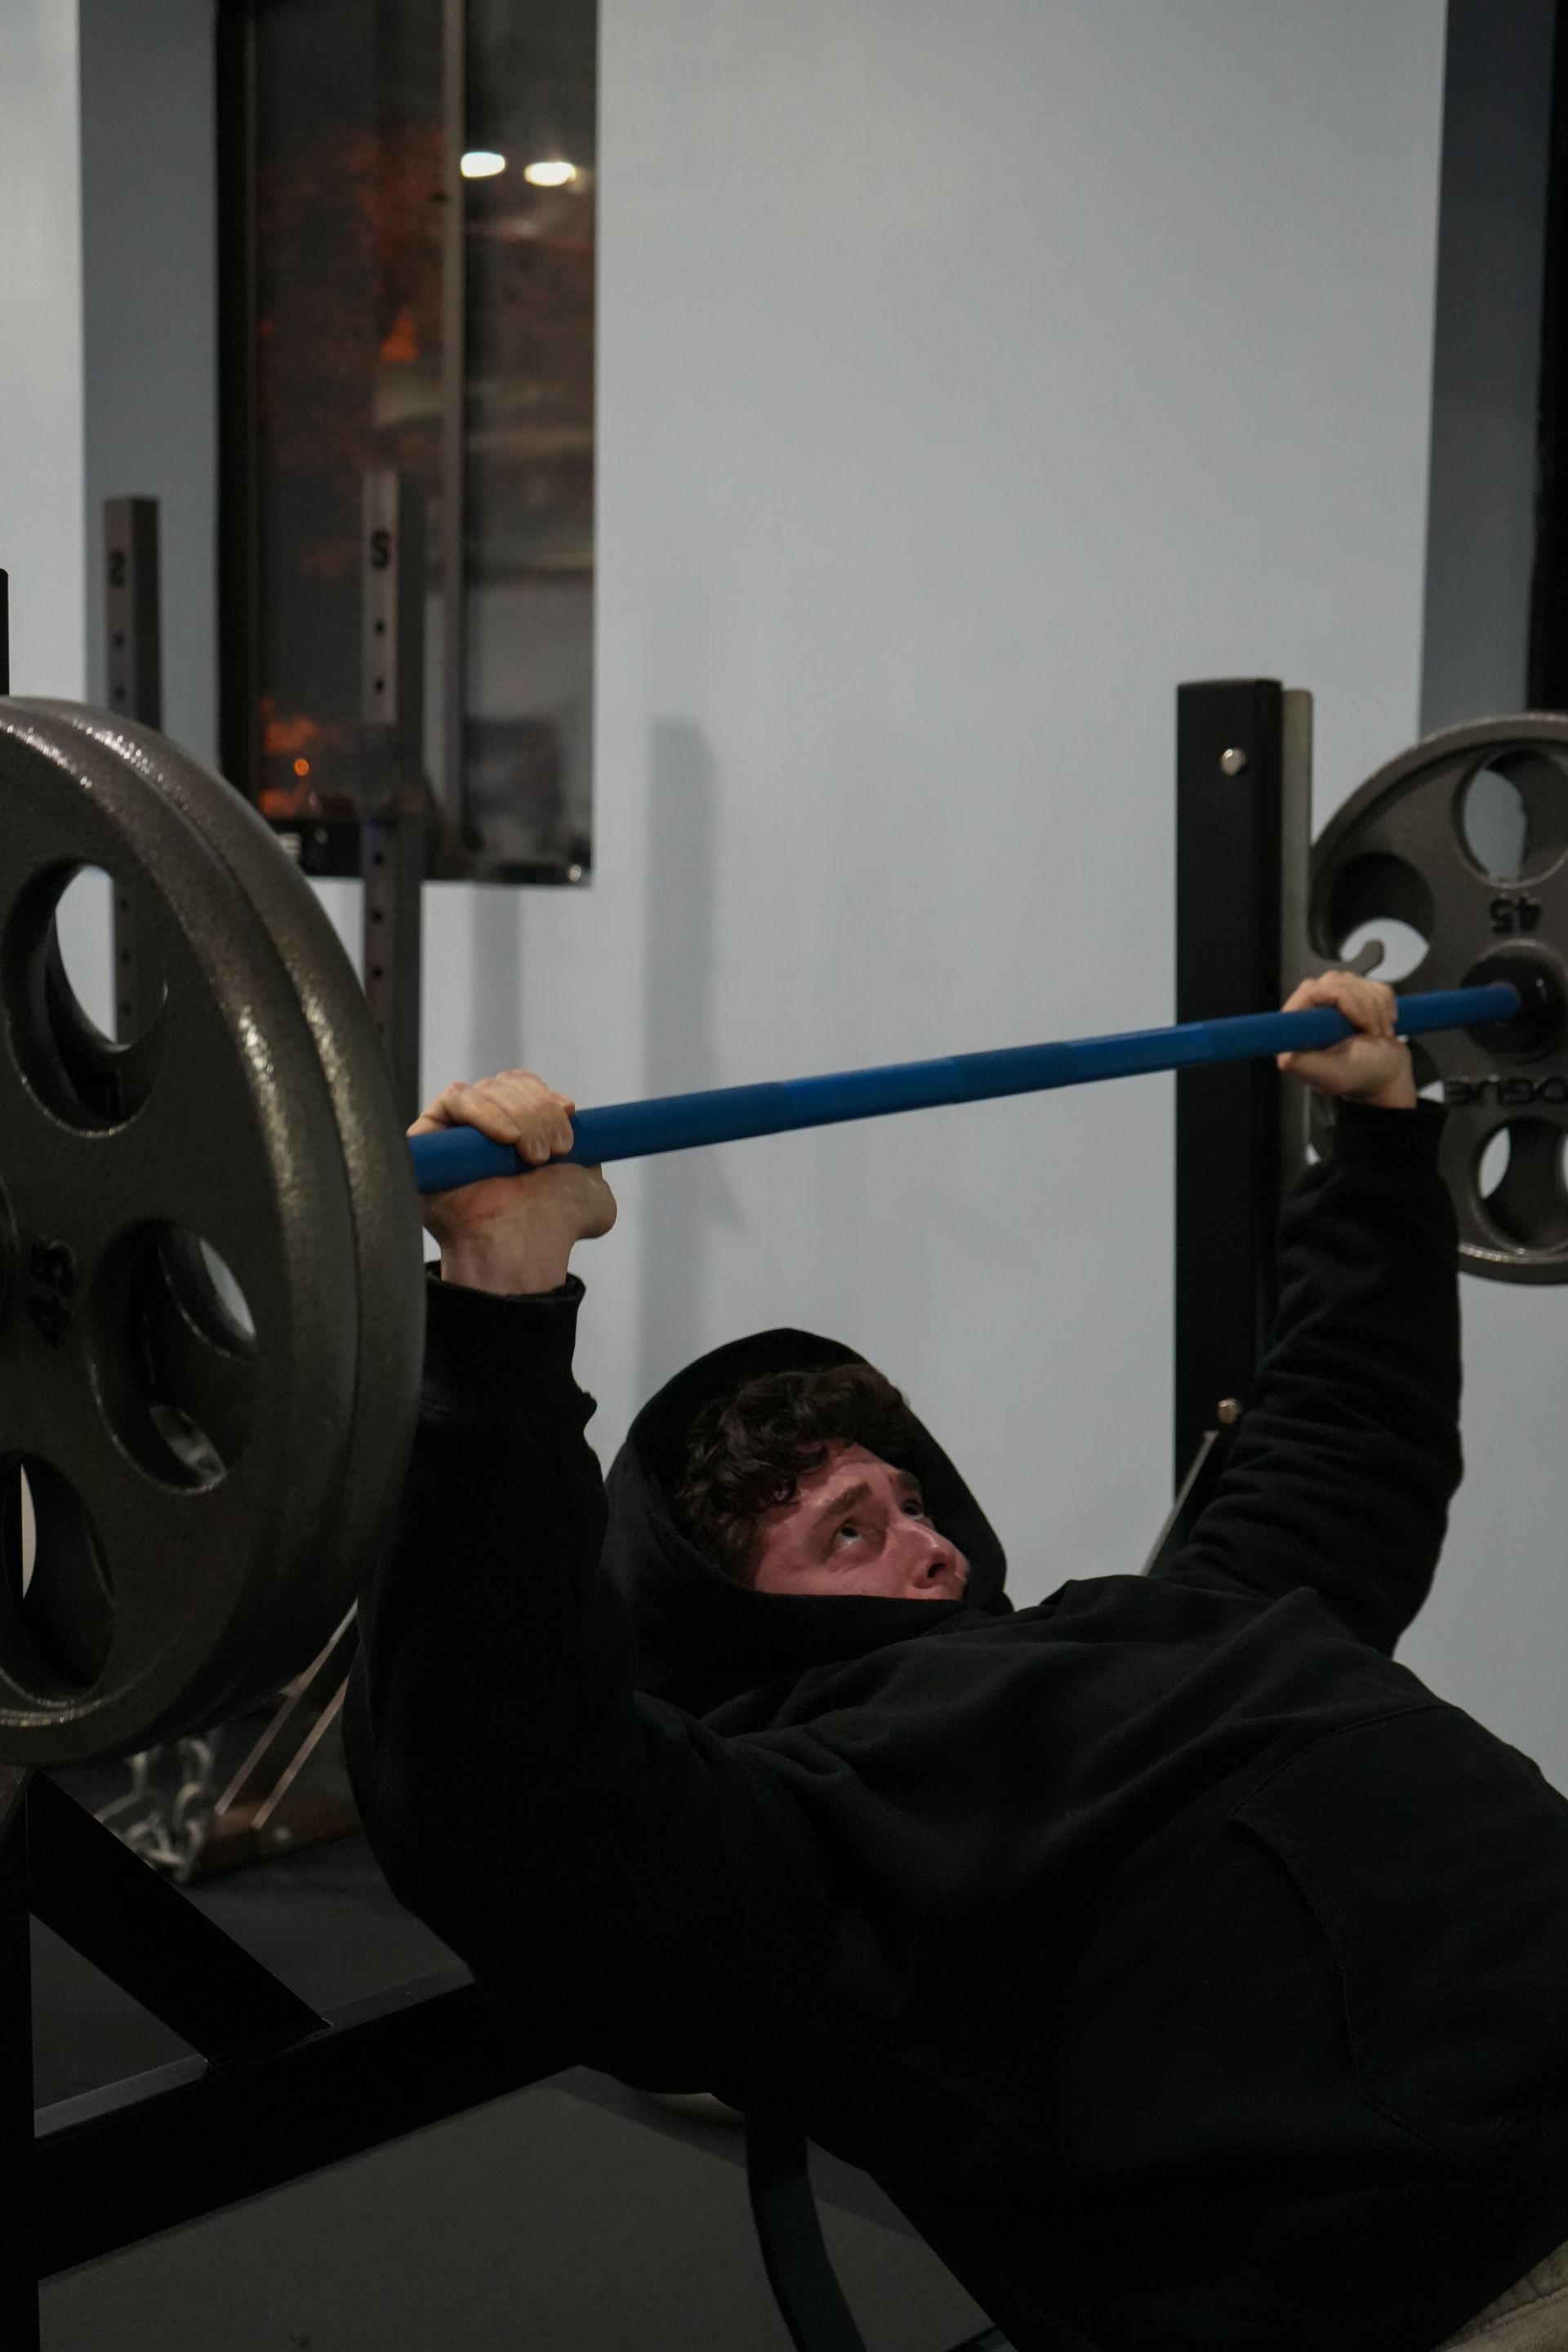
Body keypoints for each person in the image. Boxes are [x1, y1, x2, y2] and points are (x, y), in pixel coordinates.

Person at [344, 973, 1568, 2352]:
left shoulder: (1150, 1623)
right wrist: (501, 1301)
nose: (926, 1543)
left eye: (912, 1502)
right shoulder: (805, 1831)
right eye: (847, 1531)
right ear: (730, 1621)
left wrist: (1380, 1137)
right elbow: (498, 1787)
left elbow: (1344, 1441)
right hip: (1475, 2272)